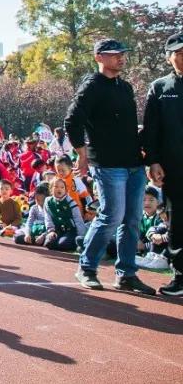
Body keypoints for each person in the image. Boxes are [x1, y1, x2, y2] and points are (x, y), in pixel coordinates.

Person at [66, 39, 156, 295]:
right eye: (115, 54)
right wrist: (82, 154)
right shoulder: (91, 86)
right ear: (99, 58)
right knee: (111, 216)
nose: (121, 58)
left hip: (133, 164)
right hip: (107, 164)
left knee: (132, 219)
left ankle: (126, 274)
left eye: (122, 54)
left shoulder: (125, 87)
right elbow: (72, 119)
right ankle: (86, 267)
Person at [139, 30, 183, 296]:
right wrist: (152, 161)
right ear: (169, 58)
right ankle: (180, 277)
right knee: (177, 222)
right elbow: (151, 129)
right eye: (178, 53)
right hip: (174, 168)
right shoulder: (159, 87)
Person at [44, 177, 87, 252]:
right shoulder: (48, 201)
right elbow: (48, 218)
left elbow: (78, 220)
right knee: (49, 244)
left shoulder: (70, 202)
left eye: (62, 187)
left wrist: (81, 236)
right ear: (51, 189)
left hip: (70, 230)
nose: (59, 189)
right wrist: (51, 231)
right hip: (58, 230)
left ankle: (75, 243)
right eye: (56, 187)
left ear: (65, 190)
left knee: (63, 244)